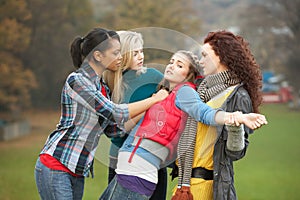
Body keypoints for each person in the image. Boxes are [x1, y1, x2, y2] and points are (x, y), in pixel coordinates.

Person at [99, 50, 267, 200]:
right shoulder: (164, 94)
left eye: (179, 65)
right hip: (129, 166)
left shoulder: (185, 92)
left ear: (189, 74)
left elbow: (204, 113)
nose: (171, 66)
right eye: (171, 62)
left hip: (139, 170)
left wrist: (235, 117)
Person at [34, 27, 169, 200]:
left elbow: (115, 130)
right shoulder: (78, 81)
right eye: (115, 53)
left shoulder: (102, 88)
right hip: (56, 165)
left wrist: (149, 110)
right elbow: (114, 113)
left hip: (77, 171)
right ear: (98, 56)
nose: (120, 57)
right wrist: (154, 100)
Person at [172, 30, 265, 200]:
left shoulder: (238, 95)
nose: (200, 60)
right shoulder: (199, 88)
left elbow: (236, 153)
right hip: (183, 185)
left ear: (221, 56)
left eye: (205, 55)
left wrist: (234, 126)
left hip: (209, 187)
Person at [103, 31, 167, 200]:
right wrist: (150, 105)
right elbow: (116, 132)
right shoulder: (108, 83)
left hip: (151, 155)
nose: (141, 57)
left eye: (141, 51)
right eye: (135, 53)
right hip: (119, 158)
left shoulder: (153, 77)